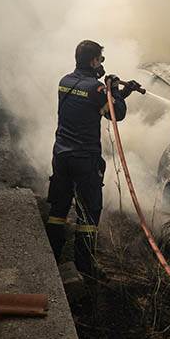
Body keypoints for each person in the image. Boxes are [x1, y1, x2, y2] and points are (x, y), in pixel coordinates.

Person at [46, 40, 141, 280]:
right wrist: (115, 92)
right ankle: (83, 266)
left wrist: (118, 92)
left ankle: (51, 258)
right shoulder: (96, 90)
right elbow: (116, 113)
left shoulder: (64, 82)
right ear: (93, 61)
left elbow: (98, 107)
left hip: (61, 155)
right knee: (89, 212)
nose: (102, 64)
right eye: (100, 60)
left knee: (58, 209)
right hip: (85, 160)